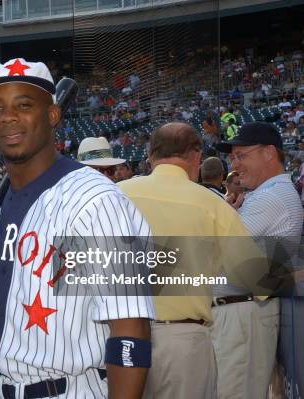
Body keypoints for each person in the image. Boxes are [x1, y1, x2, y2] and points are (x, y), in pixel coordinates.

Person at [0, 58, 155, 398]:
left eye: (24, 105)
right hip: (1, 388)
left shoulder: (94, 202)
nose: (9, 117)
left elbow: (130, 328)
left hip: (70, 389)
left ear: (53, 115)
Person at [118, 122, 269, 399]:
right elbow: (256, 277)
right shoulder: (211, 204)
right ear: (196, 157)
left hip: (118, 338)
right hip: (182, 341)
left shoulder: (116, 195)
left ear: (151, 155)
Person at [214, 122, 304, 399]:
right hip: (243, 311)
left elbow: (213, 253)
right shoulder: (266, 194)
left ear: (268, 154)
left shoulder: (271, 196)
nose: (235, 164)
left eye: (242, 156)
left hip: (244, 313)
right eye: (233, 157)